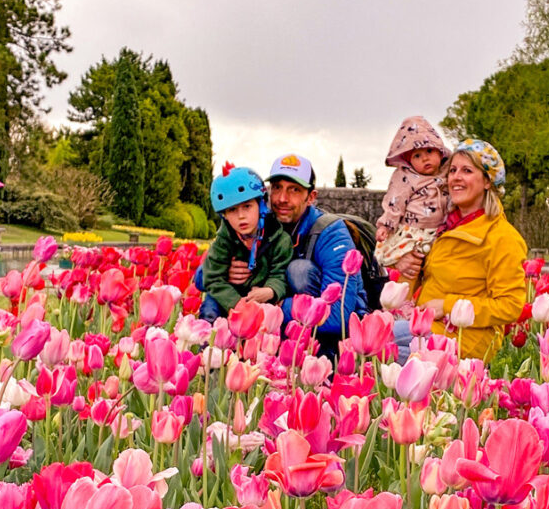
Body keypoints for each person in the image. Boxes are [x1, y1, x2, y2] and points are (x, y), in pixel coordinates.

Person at [394, 139, 529, 363]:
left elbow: (510, 306)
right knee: (373, 336)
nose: (456, 177)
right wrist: (405, 264)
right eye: (453, 170)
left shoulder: (502, 237)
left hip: (464, 339)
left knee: (380, 348)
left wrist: (448, 306)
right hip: (426, 325)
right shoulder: (442, 225)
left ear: (488, 181)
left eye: (467, 171)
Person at [223, 154, 366, 343]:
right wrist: (226, 269)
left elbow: (337, 316)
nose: (282, 198)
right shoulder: (257, 221)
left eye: (294, 190)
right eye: (277, 188)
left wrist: (274, 305)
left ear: (311, 197)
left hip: (333, 335)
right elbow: (204, 274)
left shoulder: (331, 233)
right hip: (283, 329)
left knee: (299, 271)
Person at [198, 164, 292, 322]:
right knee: (209, 309)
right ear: (224, 215)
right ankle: (209, 337)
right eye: (232, 210)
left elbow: (280, 273)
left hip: (261, 298)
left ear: (261, 205)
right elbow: (213, 279)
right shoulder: (223, 241)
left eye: (247, 206)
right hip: (228, 298)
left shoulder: (280, 239)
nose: (241, 216)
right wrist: (237, 305)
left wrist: (270, 290)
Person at [374, 116, 451, 287]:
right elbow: (395, 202)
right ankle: (402, 299)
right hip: (413, 233)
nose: (425, 159)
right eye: (417, 155)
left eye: (429, 151)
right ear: (408, 160)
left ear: (440, 151)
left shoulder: (448, 172)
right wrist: (386, 225)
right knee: (410, 271)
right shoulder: (406, 177)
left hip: (438, 232)